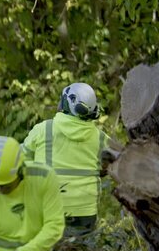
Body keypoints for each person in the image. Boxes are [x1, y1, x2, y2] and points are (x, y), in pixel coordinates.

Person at [22, 82, 110, 236]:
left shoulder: (43, 129)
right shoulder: (100, 137)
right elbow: (121, 159)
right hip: (85, 210)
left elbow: (19, 159)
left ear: (69, 103)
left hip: (46, 207)